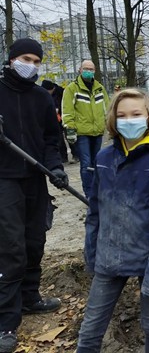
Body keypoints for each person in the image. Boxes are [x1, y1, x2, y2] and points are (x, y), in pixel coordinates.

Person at [76, 88, 149, 352]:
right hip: (108, 255)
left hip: (147, 258)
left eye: (135, 114)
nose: (128, 120)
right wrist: (92, 253)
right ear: (113, 118)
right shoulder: (103, 159)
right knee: (90, 331)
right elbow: (94, 212)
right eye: (121, 115)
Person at [0, 38, 69, 353]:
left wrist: (56, 168)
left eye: (37, 61)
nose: (32, 65)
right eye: (26, 58)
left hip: (34, 178)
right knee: (11, 247)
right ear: (12, 59)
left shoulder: (42, 97)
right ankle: (6, 321)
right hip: (4, 180)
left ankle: (30, 298)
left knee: (34, 241)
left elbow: (50, 140)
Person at [62, 60, 109, 197]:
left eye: (91, 69)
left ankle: (97, 191)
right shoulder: (72, 88)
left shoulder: (100, 88)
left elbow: (107, 108)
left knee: (96, 162)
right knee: (86, 163)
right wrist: (70, 130)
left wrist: (110, 126)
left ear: (95, 71)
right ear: (80, 70)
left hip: (97, 131)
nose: (88, 71)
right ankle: (89, 194)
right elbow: (67, 111)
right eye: (86, 68)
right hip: (81, 133)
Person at [41, 80, 70, 164]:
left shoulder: (62, 92)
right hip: (55, 119)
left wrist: (59, 110)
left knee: (69, 137)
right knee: (59, 138)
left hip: (65, 116)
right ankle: (63, 157)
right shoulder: (45, 95)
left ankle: (76, 154)